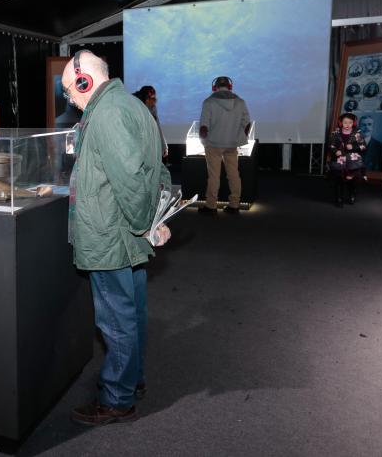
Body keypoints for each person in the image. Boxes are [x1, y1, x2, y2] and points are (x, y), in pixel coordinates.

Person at [62, 50, 171, 426]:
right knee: (132, 311)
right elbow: (155, 168)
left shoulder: (106, 114)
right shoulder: (132, 106)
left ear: (84, 81)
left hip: (110, 235)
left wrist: (145, 223)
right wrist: (149, 221)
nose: (71, 101)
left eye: (70, 92)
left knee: (115, 320)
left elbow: (128, 179)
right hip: (125, 234)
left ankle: (117, 399)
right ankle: (132, 380)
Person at [198, 76, 251, 214]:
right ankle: (234, 204)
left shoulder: (208, 102)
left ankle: (211, 206)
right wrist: (240, 137)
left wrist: (203, 141)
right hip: (232, 144)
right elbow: (247, 124)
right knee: (234, 174)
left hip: (213, 144)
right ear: (230, 86)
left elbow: (204, 127)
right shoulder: (240, 102)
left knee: (214, 176)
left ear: (214, 87)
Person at [328, 113, 367, 207]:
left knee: (351, 180)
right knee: (338, 179)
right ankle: (339, 198)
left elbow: (363, 146)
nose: (347, 125)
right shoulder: (335, 133)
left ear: (353, 123)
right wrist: (335, 151)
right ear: (341, 123)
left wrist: (353, 146)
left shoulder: (357, 133)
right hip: (339, 160)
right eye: (345, 122)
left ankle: (352, 194)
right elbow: (330, 145)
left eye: (350, 122)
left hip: (352, 161)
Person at [133, 86, 168, 159]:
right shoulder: (135, 108)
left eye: (155, 99)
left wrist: (163, 145)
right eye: (152, 99)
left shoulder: (153, 108)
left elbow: (157, 126)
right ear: (146, 99)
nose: (154, 102)